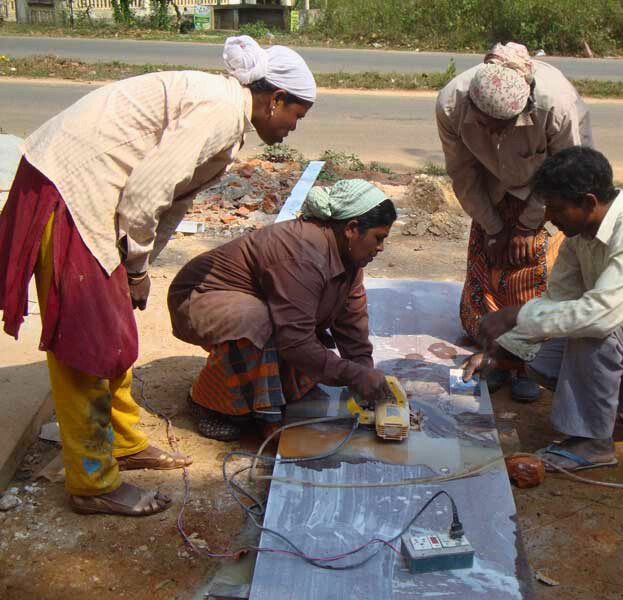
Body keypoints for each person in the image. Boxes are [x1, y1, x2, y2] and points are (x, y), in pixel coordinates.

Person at [0, 36, 315, 516]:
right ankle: (92, 483)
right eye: (297, 114)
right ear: (275, 99)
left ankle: (123, 443)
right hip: (68, 188)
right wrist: (138, 265)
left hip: (94, 191)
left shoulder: (228, 120)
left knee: (116, 329)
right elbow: (146, 193)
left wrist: (137, 271)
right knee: (87, 343)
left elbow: (172, 201)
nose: (295, 127)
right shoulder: (219, 111)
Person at [463, 147, 623, 471]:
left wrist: (516, 313)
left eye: (556, 209)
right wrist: (503, 353)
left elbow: (599, 316)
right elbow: (556, 302)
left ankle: (592, 443)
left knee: (596, 324)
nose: (548, 219)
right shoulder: (579, 238)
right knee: (540, 362)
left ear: (587, 202)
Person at [168, 179, 396, 441]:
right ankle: (208, 402)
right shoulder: (303, 253)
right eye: (378, 238)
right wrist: (355, 375)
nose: (380, 248)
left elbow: (352, 320)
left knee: (296, 336)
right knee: (261, 324)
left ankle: (263, 398)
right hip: (198, 299)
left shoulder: (350, 258)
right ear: (352, 229)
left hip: (251, 301)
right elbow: (295, 341)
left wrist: (365, 370)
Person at [436, 41, 593, 403]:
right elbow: (463, 173)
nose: (494, 134)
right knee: (489, 257)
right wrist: (493, 227)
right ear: (472, 106)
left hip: (547, 182)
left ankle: (524, 358)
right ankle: (492, 346)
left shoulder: (556, 107)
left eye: (503, 126)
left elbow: (567, 174)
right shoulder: (450, 104)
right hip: (488, 181)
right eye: (486, 125)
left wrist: (527, 224)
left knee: (526, 260)